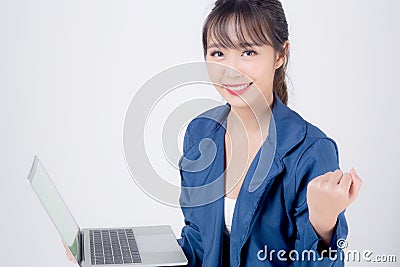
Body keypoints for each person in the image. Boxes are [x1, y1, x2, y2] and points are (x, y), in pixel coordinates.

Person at [65, 0, 362, 266]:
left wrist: (323, 227)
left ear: (280, 55)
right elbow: (198, 247)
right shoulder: (200, 133)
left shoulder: (310, 150)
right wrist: (118, 257)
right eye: (218, 53)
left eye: (248, 52)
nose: (230, 70)